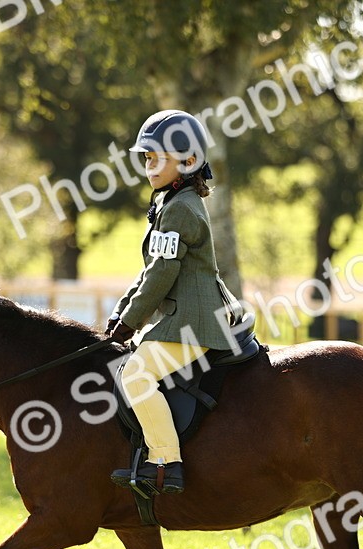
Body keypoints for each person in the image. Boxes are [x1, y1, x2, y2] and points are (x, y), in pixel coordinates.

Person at [105, 110, 243, 494]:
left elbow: (162, 276)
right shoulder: (170, 201)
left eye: (157, 158)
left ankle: (166, 461)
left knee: (135, 376)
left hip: (194, 323)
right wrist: (122, 311)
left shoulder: (181, 208)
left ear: (187, 161)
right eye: (146, 158)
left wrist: (131, 321)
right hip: (181, 318)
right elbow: (152, 269)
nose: (149, 166)